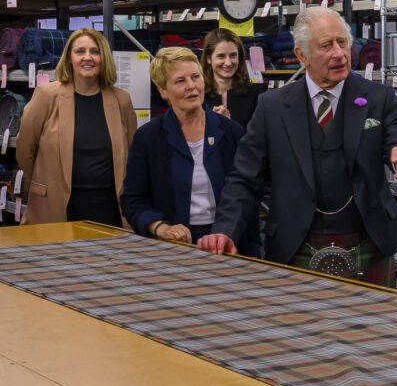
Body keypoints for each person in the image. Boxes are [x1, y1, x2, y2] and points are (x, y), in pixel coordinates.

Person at [197, 7, 397, 287]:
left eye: (343, 42)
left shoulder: (378, 97)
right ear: (302, 56)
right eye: (326, 46)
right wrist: (225, 230)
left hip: (370, 244)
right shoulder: (273, 107)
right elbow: (244, 178)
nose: (339, 53)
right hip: (295, 246)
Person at [120, 47, 259, 254]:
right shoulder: (148, 137)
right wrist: (160, 227)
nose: (191, 86)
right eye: (180, 81)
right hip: (173, 246)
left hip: (229, 240)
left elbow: (246, 191)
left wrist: (227, 232)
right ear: (162, 91)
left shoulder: (231, 131)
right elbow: (132, 201)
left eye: (196, 77)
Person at [17, 27, 136, 226]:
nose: (87, 57)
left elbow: (132, 152)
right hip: (55, 206)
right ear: (70, 58)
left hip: (109, 208)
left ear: (104, 57)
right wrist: (47, 179)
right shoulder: (46, 95)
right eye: (80, 51)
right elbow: (24, 152)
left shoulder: (121, 99)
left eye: (95, 51)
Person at [201, 28, 264, 130]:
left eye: (233, 55)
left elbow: (258, 138)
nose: (228, 62)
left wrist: (228, 123)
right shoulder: (199, 95)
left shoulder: (255, 93)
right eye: (221, 56)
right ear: (209, 58)